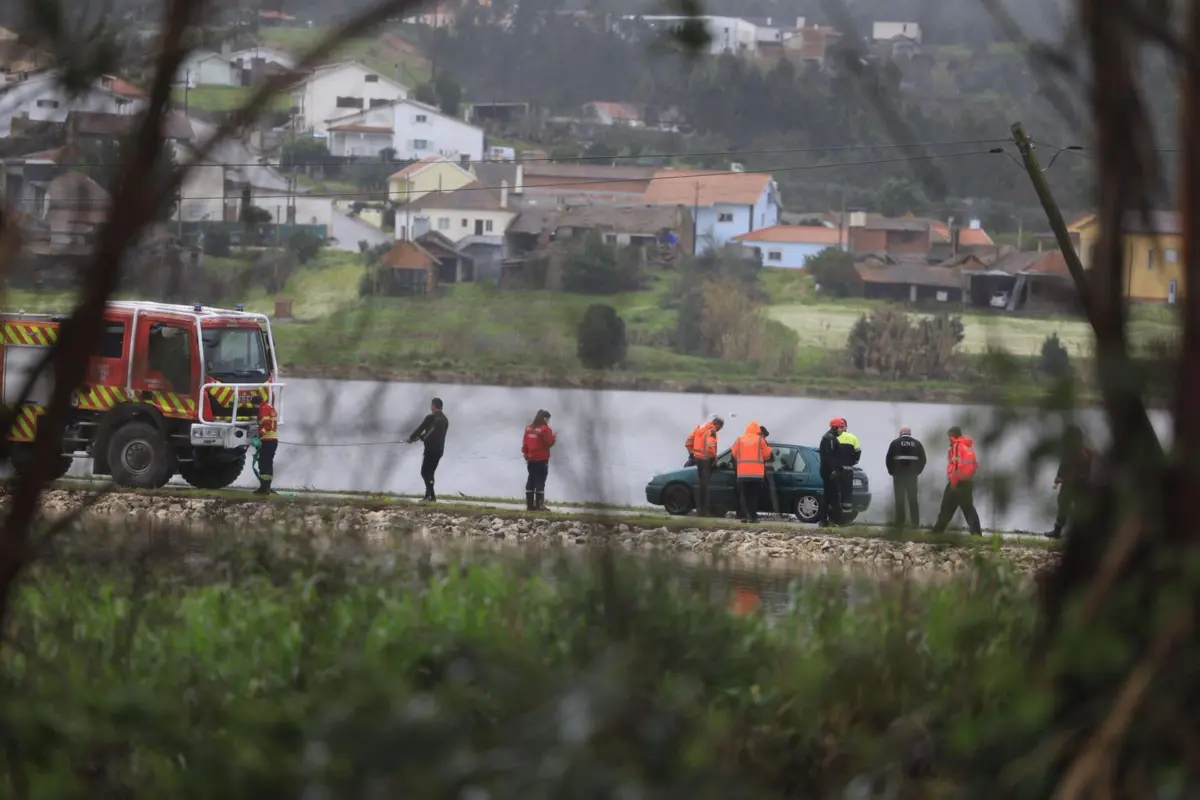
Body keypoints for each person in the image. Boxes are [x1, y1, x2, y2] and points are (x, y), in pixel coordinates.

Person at [931, 426, 982, 536]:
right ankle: (977, 534)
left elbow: (956, 467)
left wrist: (953, 483)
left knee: (946, 508)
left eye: (949, 436)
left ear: (952, 436)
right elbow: (975, 465)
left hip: (957, 482)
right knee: (968, 509)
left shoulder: (957, 446)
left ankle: (936, 533)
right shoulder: (968, 448)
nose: (948, 439)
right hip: (967, 481)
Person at [1046, 424, 1092, 539]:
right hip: (1068, 485)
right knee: (1062, 503)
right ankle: (1057, 531)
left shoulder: (1085, 452)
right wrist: (1058, 477)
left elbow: (1085, 471)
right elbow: (1063, 466)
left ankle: (1081, 532)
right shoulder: (1068, 450)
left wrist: (1065, 478)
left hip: (1080, 485)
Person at [407, 397, 449, 502]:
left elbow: (420, 428)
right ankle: (429, 496)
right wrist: (423, 437)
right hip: (439, 450)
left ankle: (431, 496)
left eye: (431, 405)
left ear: (434, 406)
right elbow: (433, 433)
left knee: (425, 472)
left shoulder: (430, 418)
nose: (431, 407)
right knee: (430, 473)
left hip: (430, 450)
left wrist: (411, 438)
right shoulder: (445, 420)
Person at [885, 425, 927, 529]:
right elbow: (923, 460)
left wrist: (891, 472)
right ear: (910, 433)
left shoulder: (895, 443)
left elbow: (888, 459)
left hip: (898, 476)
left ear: (901, 433)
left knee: (900, 499)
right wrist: (918, 471)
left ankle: (900, 523)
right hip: (912, 476)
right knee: (913, 499)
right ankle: (915, 523)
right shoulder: (917, 444)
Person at [730, 420, 771, 523]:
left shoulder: (740, 439)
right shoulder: (760, 440)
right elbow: (767, 455)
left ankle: (744, 517)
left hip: (742, 473)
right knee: (753, 496)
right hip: (757, 474)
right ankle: (753, 517)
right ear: (757, 430)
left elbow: (733, 454)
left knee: (744, 495)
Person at [685, 414, 724, 516]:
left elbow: (688, 442)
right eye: (720, 428)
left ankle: (699, 509)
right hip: (706, 460)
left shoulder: (699, 428)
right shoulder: (712, 431)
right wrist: (714, 457)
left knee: (700, 486)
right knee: (705, 487)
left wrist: (692, 454)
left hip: (697, 459)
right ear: (718, 425)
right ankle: (704, 511)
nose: (719, 430)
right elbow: (710, 446)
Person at [522, 409, 557, 511]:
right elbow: (548, 443)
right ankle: (539, 505)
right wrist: (554, 437)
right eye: (548, 419)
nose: (548, 422)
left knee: (531, 480)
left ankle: (529, 505)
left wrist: (526, 456)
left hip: (531, 459)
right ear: (545, 418)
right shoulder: (545, 429)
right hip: (542, 459)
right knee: (540, 481)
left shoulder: (528, 429)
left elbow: (524, 444)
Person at [818, 418, 846, 526]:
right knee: (833, 496)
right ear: (835, 427)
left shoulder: (831, 438)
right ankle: (835, 520)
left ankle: (826, 520)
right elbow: (829, 456)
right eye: (841, 428)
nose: (842, 430)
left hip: (830, 471)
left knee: (829, 496)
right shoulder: (829, 438)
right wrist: (834, 470)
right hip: (829, 472)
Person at [251, 393, 278, 495]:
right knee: (268, 463)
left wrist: (259, 435)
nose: (254, 408)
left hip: (267, 440)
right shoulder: (270, 407)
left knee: (263, 464)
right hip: (273, 439)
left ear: (257, 403)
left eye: (254, 405)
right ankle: (267, 486)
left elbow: (266, 425)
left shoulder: (263, 409)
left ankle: (264, 488)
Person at [836, 422, 862, 521]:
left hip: (837, 470)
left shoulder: (834, 438)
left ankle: (836, 517)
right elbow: (858, 452)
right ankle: (846, 518)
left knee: (836, 493)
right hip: (848, 470)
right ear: (846, 427)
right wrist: (853, 462)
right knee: (847, 494)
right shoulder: (852, 437)